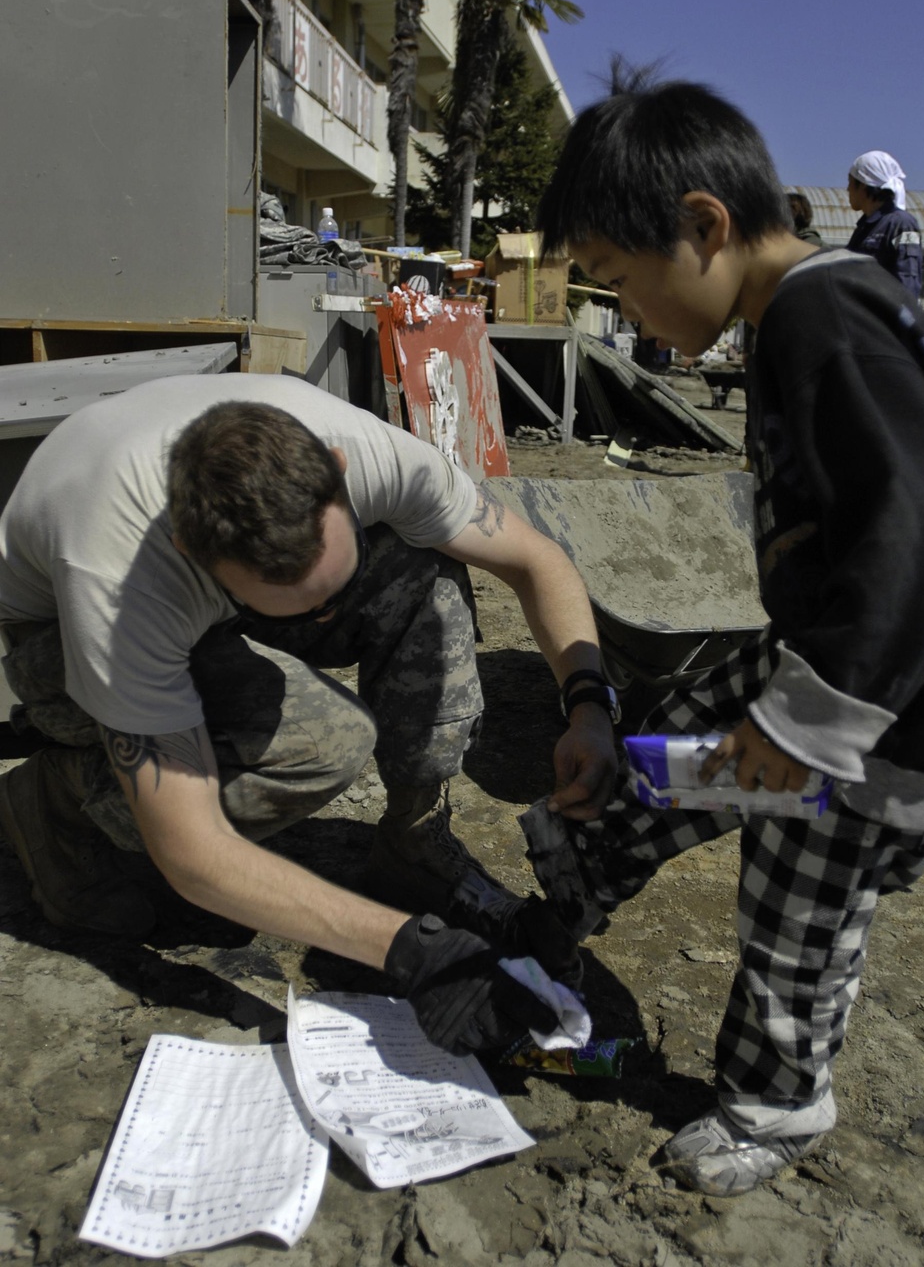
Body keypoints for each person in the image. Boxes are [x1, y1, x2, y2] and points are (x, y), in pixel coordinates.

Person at [531, 69, 924, 1195]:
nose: (630, 315)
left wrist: (808, 720)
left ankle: (773, 1104)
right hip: (841, 651)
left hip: (890, 710)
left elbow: (923, 521)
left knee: (795, 905)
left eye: (622, 285)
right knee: (681, 734)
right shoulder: (810, 307)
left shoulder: (820, 318)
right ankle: (572, 881)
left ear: (703, 225)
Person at [0, 375, 619, 1056]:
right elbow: (193, 853)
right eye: (304, 602)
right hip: (56, 637)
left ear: (339, 471)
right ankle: (58, 799)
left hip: (231, 599)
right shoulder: (123, 586)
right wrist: (410, 951)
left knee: (425, 568)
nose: (329, 618)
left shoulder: (371, 455)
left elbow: (536, 560)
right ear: (190, 549)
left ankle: (413, 843)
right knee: (320, 745)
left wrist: (588, 706)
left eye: (334, 587)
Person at [846, 150, 923, 297]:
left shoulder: (903, 225)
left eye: (850, 183)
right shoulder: (865, 226)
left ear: (863, 186)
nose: (847, 189)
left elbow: (907, 279)